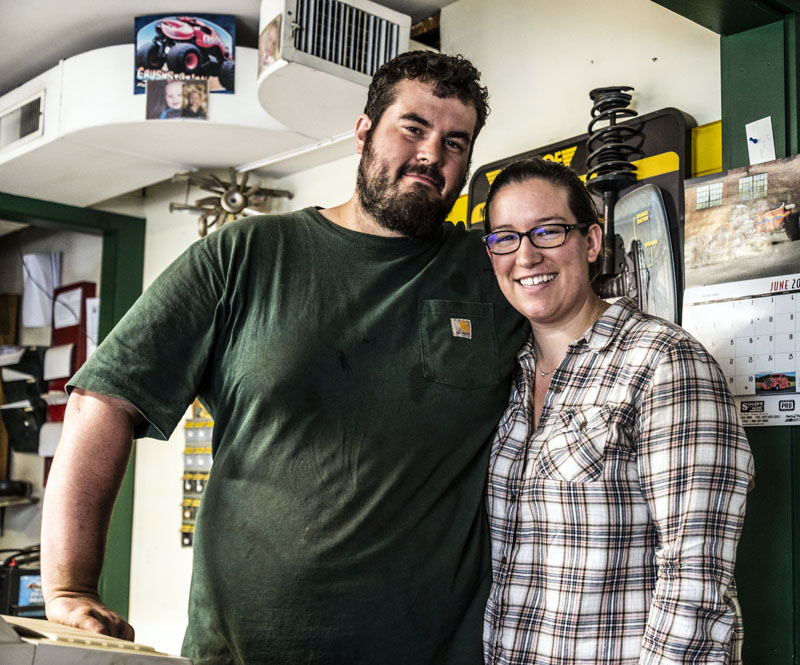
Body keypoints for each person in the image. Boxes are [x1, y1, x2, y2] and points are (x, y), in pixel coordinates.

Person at [41, 51, 529, 665]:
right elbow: (103, 402)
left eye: (455, 142)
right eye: (413, 129)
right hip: (242, 653)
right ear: (363, 131)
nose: (433, 155)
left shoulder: (494, 273)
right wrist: (69, 589)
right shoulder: (245, 256)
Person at [480, 158, 754, 664]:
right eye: (505, 237)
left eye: (548, 231)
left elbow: (696, 582)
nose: (526, 255)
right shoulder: (505, 378)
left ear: (590, 242)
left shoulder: (664, 361)